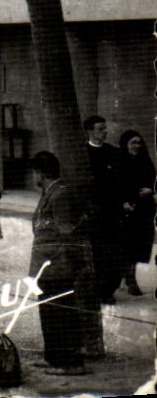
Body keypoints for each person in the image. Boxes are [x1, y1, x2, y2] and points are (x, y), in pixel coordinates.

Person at [30, 150, 89, 375]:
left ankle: (70, 362)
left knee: (61, 314)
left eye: (35, 171)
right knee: (49, 311)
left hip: (58, 264)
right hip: (47, 264)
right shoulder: (50, 192)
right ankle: (54, 357)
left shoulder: (60, 195)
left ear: (41, 173)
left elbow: (67, 231)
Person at [85, 115, 128, 303]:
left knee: (114, 251)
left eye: (105, 128)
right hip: (93, 211)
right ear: (90, 131)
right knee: (97, 252)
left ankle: (108, 289)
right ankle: (96, 289)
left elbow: (122, 181)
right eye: (100, 129)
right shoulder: (82, 153)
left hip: (113, 210)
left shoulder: (115, 153)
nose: (104, 132)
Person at [120, 129, 154, 297]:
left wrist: (150, 190)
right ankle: (128, 278)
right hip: (127, 209)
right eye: (133, 142)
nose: (137, 146)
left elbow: (153, 180)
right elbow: (117, 185)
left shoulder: (145, 161)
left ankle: (130, 276)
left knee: (138, 246)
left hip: (143, 210)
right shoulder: (120, 162)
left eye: (139, 142)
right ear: (125, 144)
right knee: (127, 245)